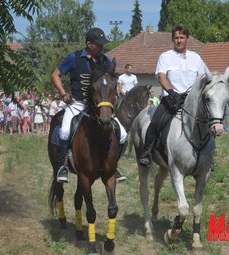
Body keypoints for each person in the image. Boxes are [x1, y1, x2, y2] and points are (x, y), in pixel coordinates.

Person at [51, 27, 127, 183]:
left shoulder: (105, 60)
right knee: (64, 131)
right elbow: (55, 75)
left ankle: (114, 166)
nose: (101, 47)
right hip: (78, 104)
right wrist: (63, 94)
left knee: (123, 134)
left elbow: (111, 80)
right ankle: (62, 166)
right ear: (89, 44)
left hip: (100, 106)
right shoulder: (74, 58)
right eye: (98, 44)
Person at [139, 25, 209, 168]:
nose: (179, 40)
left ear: (186, 39)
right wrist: (171, 92)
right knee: (155, 123)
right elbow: (161, 76)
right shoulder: (165, 57)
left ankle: (208, 156)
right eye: (176, 37)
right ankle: (147, 153)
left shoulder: (196, 58)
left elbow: (204, 78)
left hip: (192, 101)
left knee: (207, 124)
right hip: (171, 99)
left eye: (181, 37)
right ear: (172, 39)